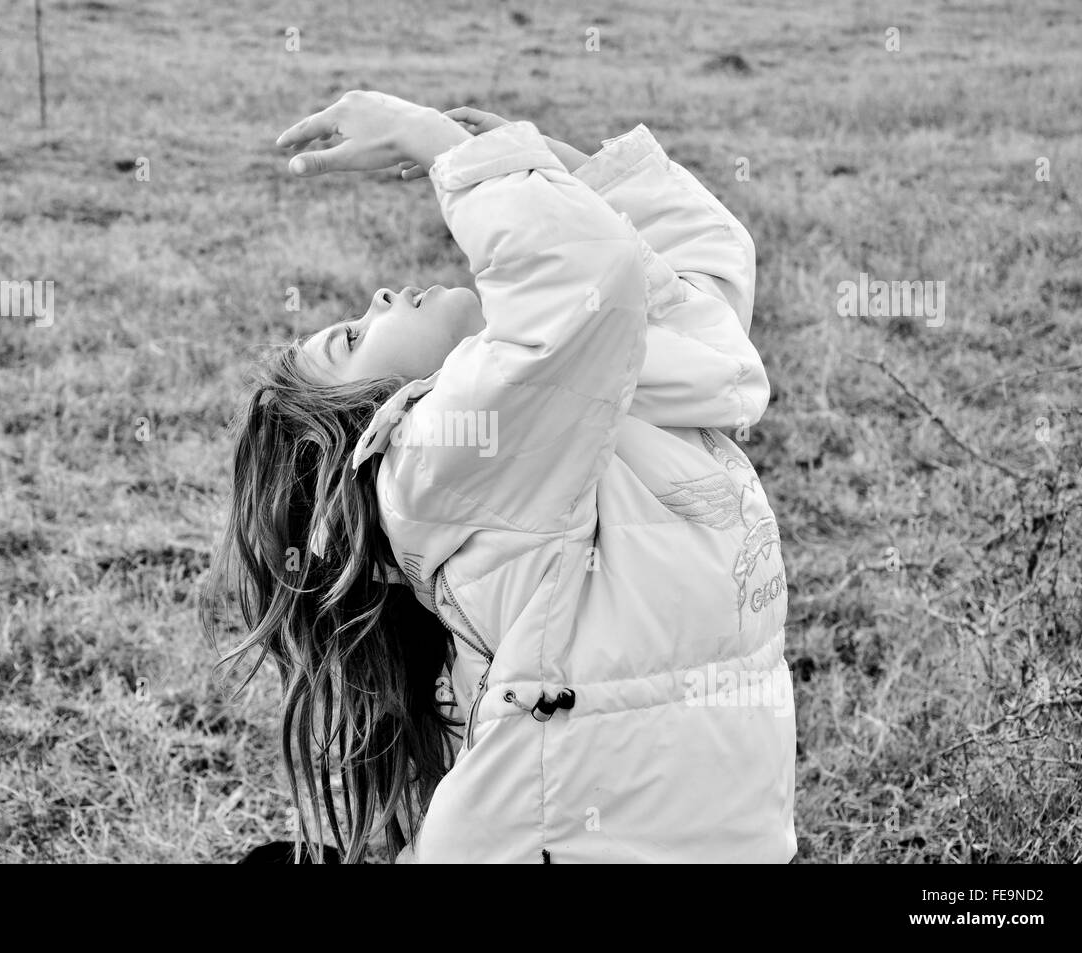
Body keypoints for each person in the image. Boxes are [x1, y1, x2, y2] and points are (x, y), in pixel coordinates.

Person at [202, 91, 796, 863]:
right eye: (353, 335)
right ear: (361, 427)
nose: (380, 297)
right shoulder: (433, 458)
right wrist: (440, 143)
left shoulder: (586, 376)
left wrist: (574, 174)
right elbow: (586, 276)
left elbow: (692, 297)